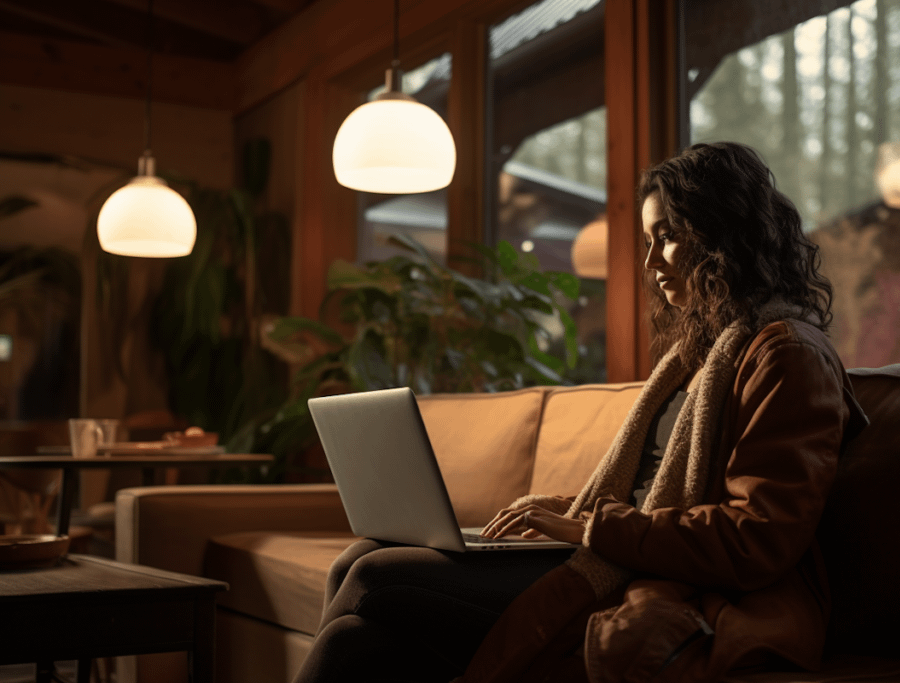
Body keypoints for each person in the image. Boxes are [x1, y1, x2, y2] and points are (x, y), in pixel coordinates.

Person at [292, 142, 866, 683]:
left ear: (722, 236)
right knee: (360, 577)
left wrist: (592, 526)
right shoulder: (695, 356)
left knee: (373, 577)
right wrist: (563, 515)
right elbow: (647, 492)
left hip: (654, 576)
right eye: (647, 239)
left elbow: (756, 539)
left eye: (666, 236)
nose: (650, 260)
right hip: (615, 551)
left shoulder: (788, 355)